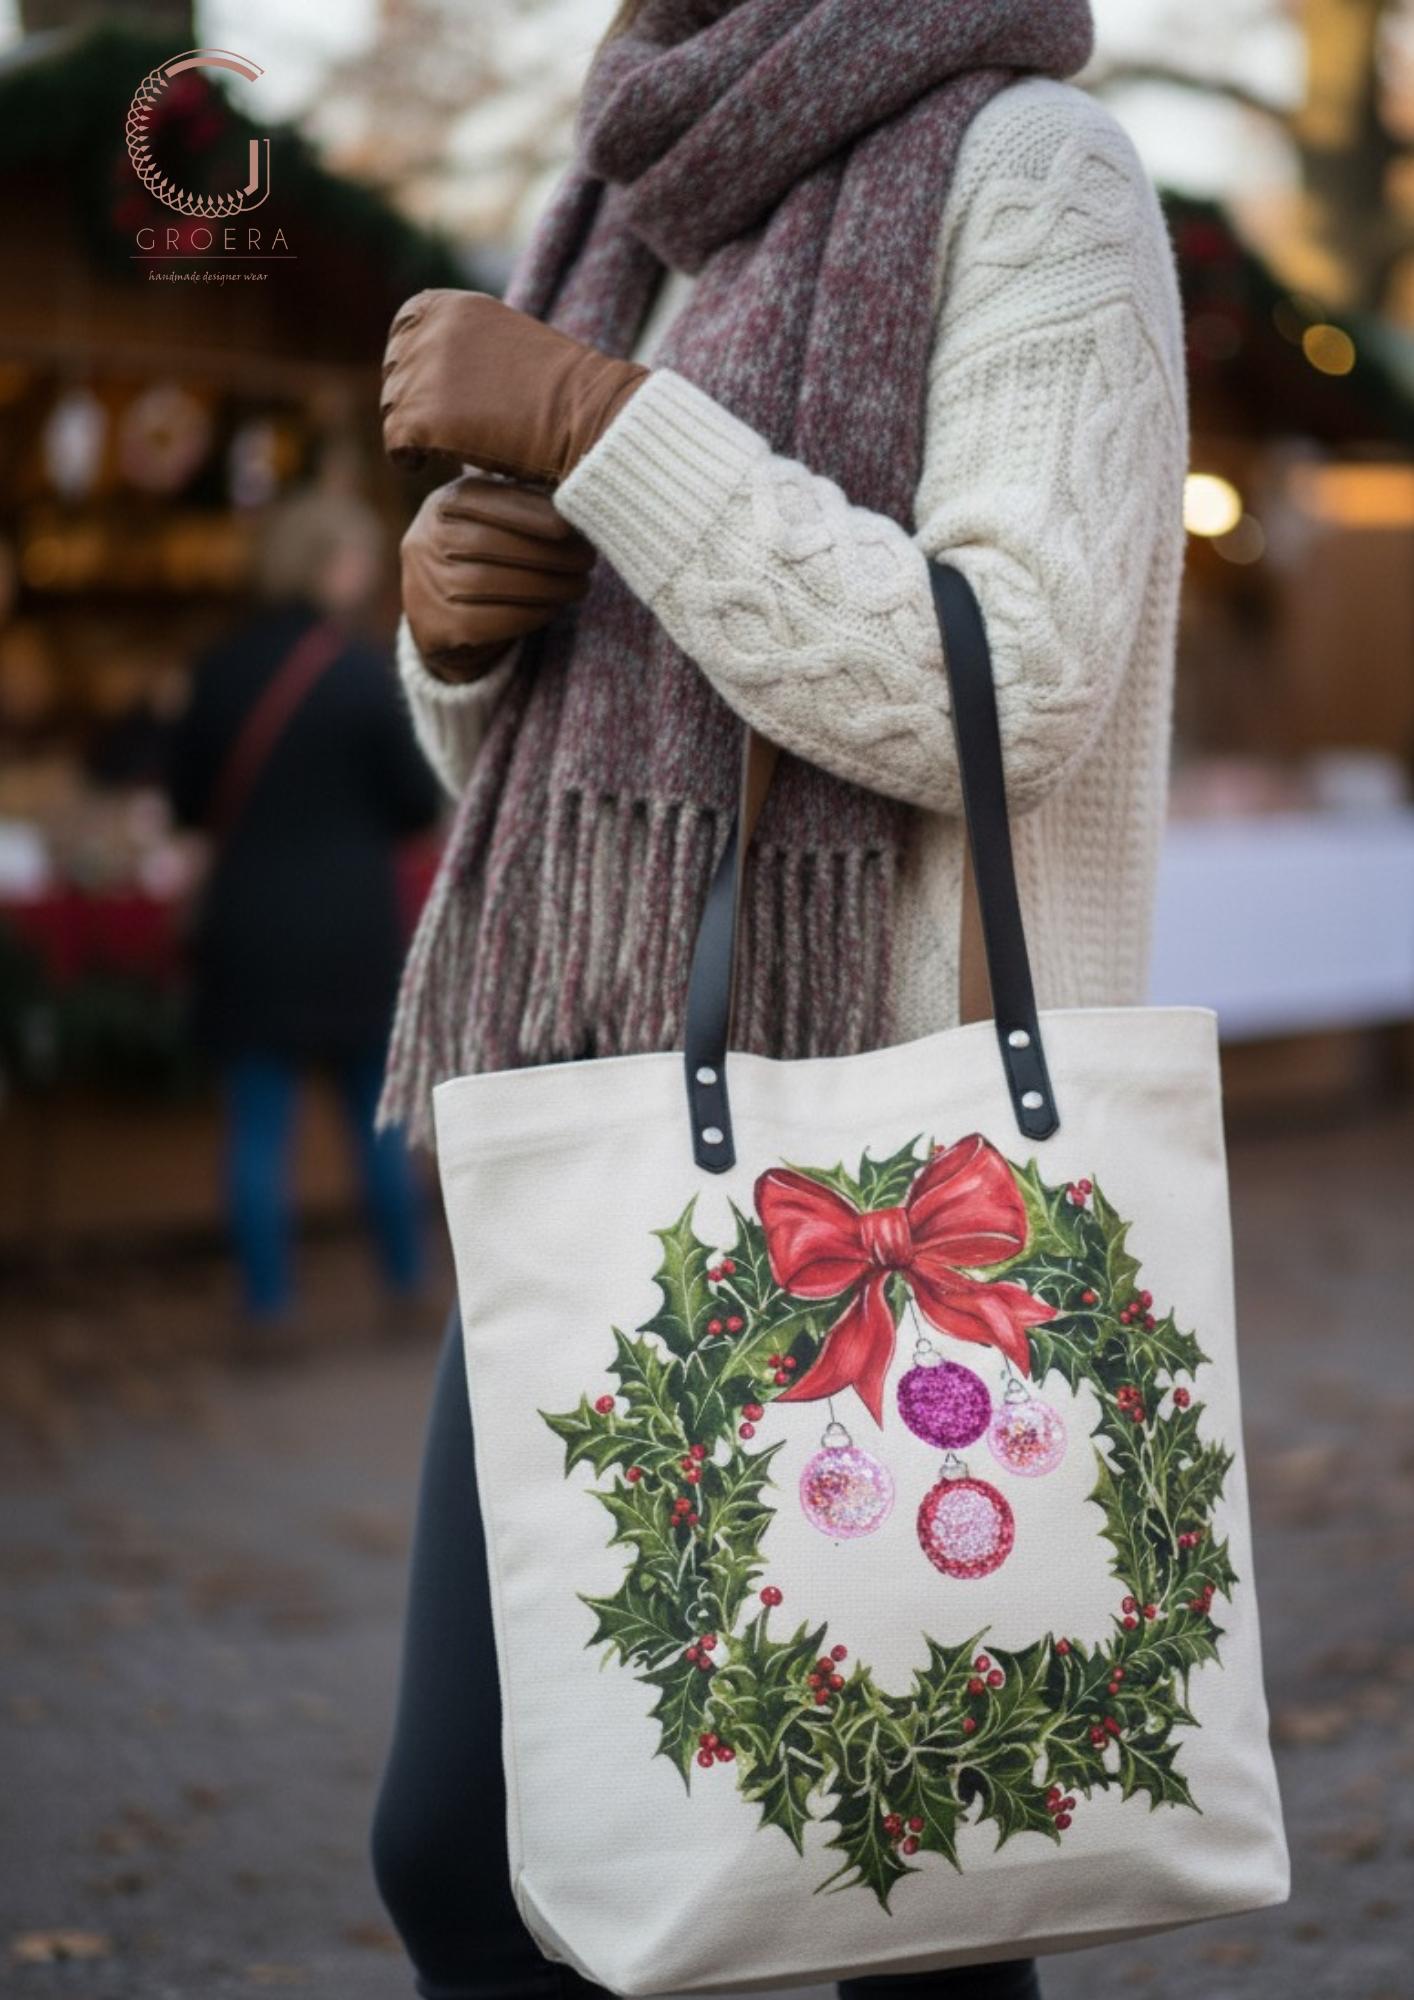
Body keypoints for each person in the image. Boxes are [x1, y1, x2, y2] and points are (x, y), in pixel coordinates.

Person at [370, 1, 1188, 1995]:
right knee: (472, 1852)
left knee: (898, 1889)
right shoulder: (623, 189)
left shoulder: (1030, 167)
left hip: (898, 1192)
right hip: (596, 1138)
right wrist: (454, 640)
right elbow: (582, 748)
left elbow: (1004, 686)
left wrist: (599, 425)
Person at [166, 487, 441, 1341]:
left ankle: (268, 1306)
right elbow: (414, 806)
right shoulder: (367, 674)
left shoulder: (218, 667)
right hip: (351, 929)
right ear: (334, 564)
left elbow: (184, 801)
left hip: (250, 926)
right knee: (377, 1122)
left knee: (256, 1129)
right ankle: (403, 1287)